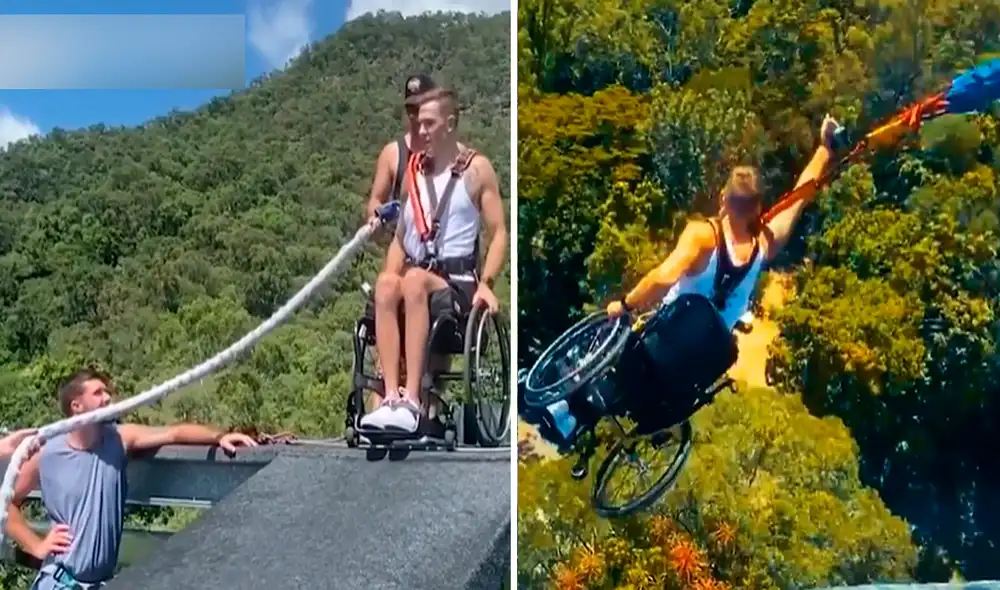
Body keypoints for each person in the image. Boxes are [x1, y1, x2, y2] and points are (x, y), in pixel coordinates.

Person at [5, 368, 258, 590]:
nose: (107, 398)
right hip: (60, 582)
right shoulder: (46, 453)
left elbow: (174, 433)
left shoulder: (119, 438)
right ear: (76, 405)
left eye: (106, 392)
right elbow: (6, 503)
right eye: (97, 393)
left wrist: (219, 437)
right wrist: (36, 546)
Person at [360, 86, 507, 433]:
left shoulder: (477, 170)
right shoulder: (414, 174)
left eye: (428, 124)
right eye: (417, 124)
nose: (420, 131)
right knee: (387, 283)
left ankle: (412, 399)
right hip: (416, 272)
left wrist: (487, 284)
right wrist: (388, 282)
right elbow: (402, 239)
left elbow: (499, 231)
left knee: (413, 281)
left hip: (456, 283)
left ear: (450, 123)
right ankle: (390, 396)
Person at [607, 115, 840, 325]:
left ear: (722, 198)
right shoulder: (765, 247)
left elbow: (663, 277)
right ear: (758, 208)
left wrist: (625, 305)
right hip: (703, 363)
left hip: (666, 341)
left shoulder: (702, 237)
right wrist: (825, 149)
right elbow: (800, 195)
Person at [364, 74, 467, 223]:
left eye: (422, 107)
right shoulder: (393, 154)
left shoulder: (458, 154)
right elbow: (376, 199)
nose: (417, 115)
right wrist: (376, 217)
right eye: (411, 108)